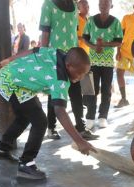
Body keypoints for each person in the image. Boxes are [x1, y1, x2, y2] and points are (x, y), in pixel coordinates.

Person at [0, 47, 95, 180]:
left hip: (11, 76)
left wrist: (10, 59)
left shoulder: (58, 53)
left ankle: (2, 149)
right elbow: (60, 111)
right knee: (40, 121)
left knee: (24, 116)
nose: (81, 77)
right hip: (12, 82)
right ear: (68, 66)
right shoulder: (60, 79)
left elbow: (33, 50)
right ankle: (26, 164)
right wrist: (79, 141)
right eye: (80, 73)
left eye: (84, 74)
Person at [39, 0, 97, 141]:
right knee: (55, 94)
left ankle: (81, 128)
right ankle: (51, 127)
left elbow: (72, 31)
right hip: (55, 57)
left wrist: (78, 52)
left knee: (76, 93)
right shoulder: (48, 4)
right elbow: (45, 33)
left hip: (73, 56)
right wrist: (44, 58)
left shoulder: (73, 5)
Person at [82, 0, 122, 130]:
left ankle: (103, 116)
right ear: (98, 5)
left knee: (106, 90)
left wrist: (103, 44)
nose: (103, 6)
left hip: (108, 62)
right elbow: (85, 38)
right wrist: (94, 46)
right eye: (101, 4)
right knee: (91, 89)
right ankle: (90, 117)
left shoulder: (116, 22)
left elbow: (118, 41)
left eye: (106, 4)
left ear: (111, 5)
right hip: (92, 61)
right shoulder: (91, 20)